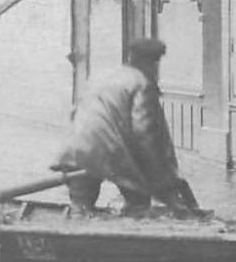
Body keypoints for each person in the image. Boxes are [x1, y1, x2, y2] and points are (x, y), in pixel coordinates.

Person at [55, 37, 201, 217]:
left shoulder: (107, 75)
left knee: (81, 206)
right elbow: (144, 134)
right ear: (153, 63)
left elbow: (75, 112)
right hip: (109, 149)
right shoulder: (141, 83)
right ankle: (135, 234)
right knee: (138, 200)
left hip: (75, 146)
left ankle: (76, 232)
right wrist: (161, 176)